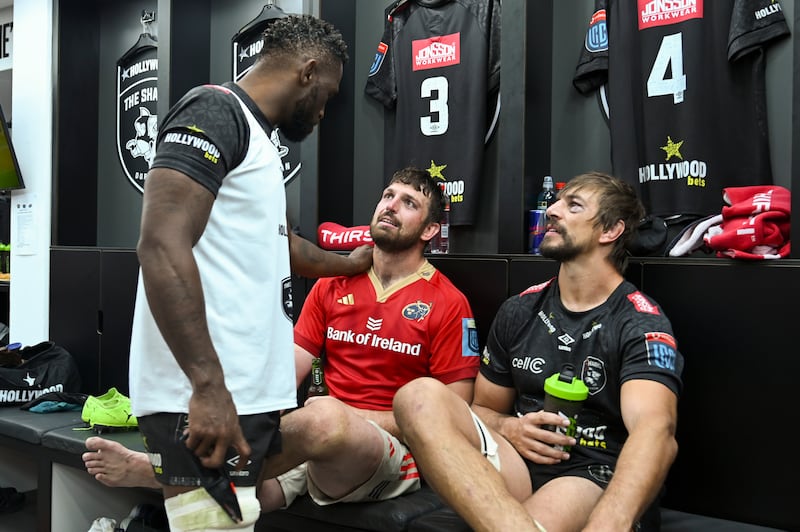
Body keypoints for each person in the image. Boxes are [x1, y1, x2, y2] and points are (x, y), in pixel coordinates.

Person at [84, 167, 480, 513]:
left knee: (324, 420)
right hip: (322, 442)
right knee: (257, 490)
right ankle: (175, 475)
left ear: (430, 230)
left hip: (390, 453)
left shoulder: (448, 302)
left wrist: (351, 417)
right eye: (388, 196)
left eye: (409, 203)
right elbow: (285, 372)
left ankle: (168, 472)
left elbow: (452, 419)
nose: (391, 206)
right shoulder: (334, 284)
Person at [126, 15, 371, 531]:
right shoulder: (215, 110)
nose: (323, 111)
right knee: (208, 525)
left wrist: (350, 264)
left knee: (234, 521)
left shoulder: (259, 140)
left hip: (243, 393)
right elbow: (160, 244)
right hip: (204, 392)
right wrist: (207, 385)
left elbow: (286, 247)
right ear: (308, 72)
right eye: (327, 94)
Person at [393, 171, 684, 532]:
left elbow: (656, 431)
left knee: (535, 519)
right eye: (557, 202)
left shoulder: (639, 322)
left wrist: (610, 522)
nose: (552, 211)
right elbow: (482, 408)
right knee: (416, 396)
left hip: (591, 471)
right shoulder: (520, 309)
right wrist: (510, 427)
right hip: (518, 462)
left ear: (610, 231)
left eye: (573, 206)